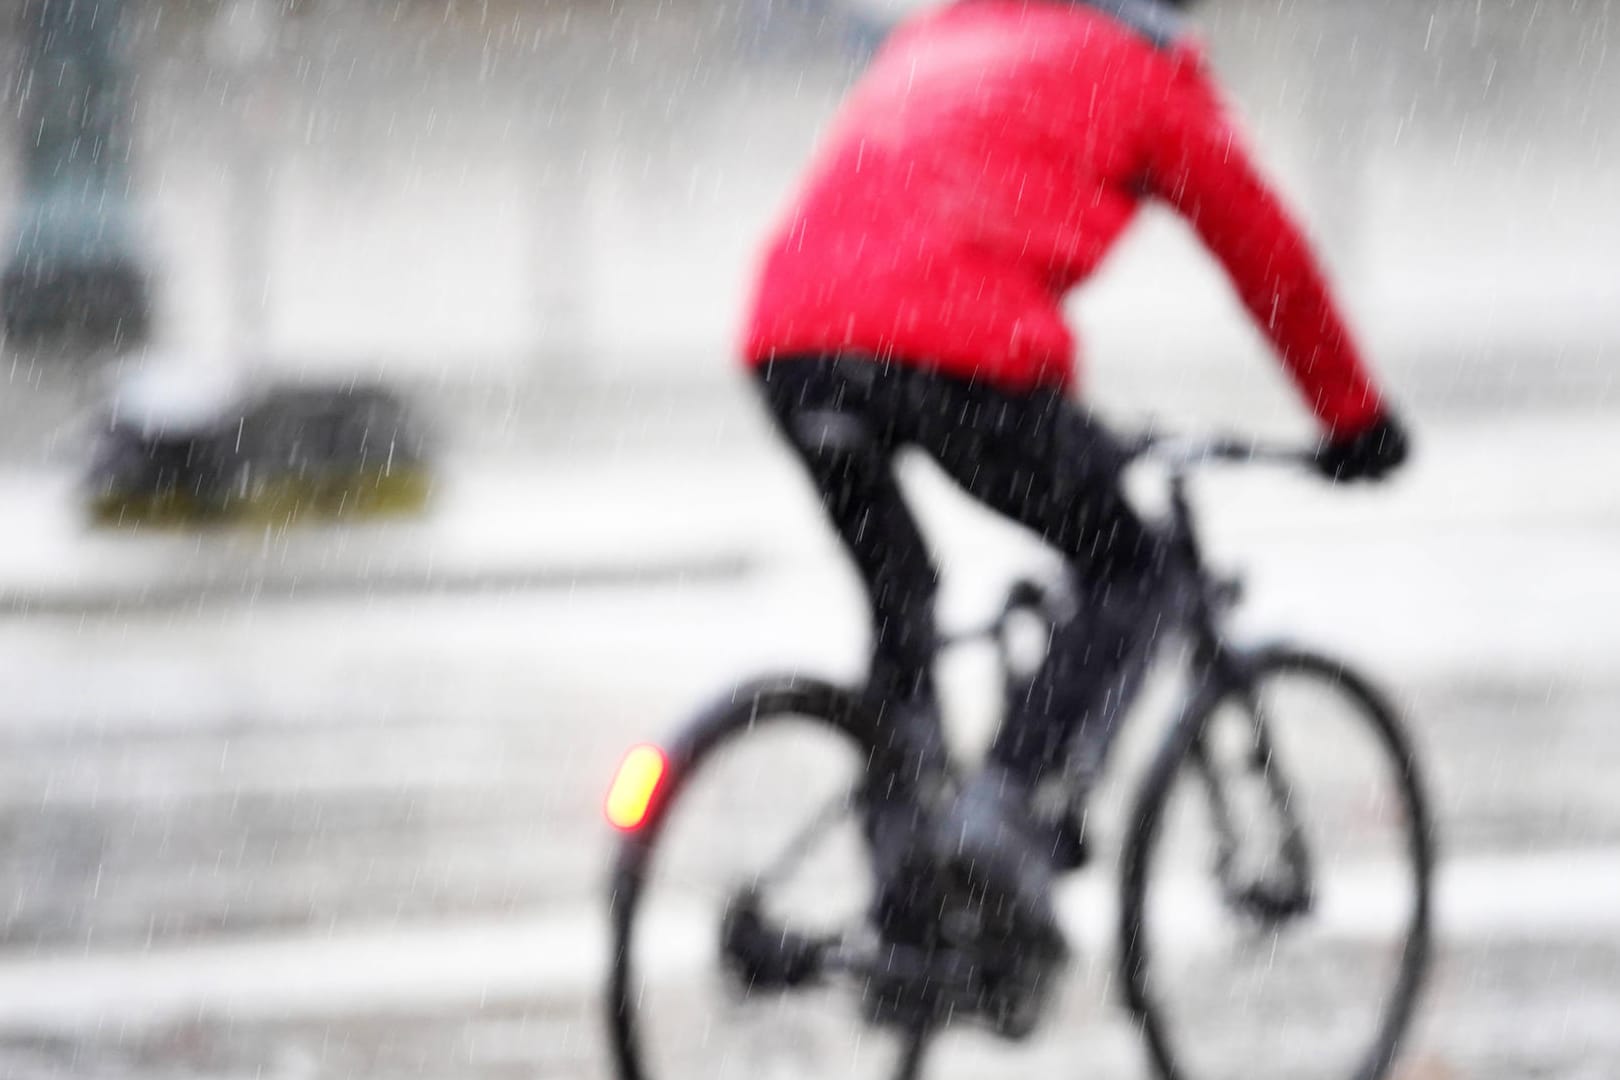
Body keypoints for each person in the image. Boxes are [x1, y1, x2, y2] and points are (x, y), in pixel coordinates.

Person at [740, 0, 1410, 950]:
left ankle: (907, 895)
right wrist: (1355, 419)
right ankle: (998, 816)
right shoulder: (1146, 68)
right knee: (1129, 570)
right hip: (954, 349)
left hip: (793, 337)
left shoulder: (947, 33)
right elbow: (1267, 255)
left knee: (903, 603)